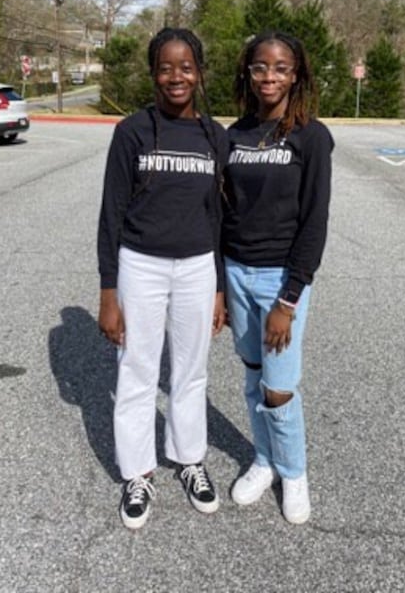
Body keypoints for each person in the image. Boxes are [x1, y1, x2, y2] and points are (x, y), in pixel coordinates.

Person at [97, 27, 228, 530]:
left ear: (199, 72)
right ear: (154, 72)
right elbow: (110, 215)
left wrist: (217, 286)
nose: (177, 76)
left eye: (186, 66)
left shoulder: (214, 135)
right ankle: (137, 472)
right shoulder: (132, 131)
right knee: (137, 368)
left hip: (197, 266)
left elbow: (217, 216)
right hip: (141, 264)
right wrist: (109, 292)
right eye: (166, 67)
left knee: (191, 369)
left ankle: (189, 458)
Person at [222, 29, 334, 525]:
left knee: (279, 389)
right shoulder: (235, 135)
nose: (270, 76)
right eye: (261, 67)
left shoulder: (311, 136)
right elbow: (221, 215)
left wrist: (288, 300)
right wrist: (220, 288)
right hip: (235, 271)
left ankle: (294, 473)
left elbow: (315, 221)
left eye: (281, 67)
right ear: (248, 72)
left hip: (280, 279)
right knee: (251, 377)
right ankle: (263, 461)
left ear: (297, 74)